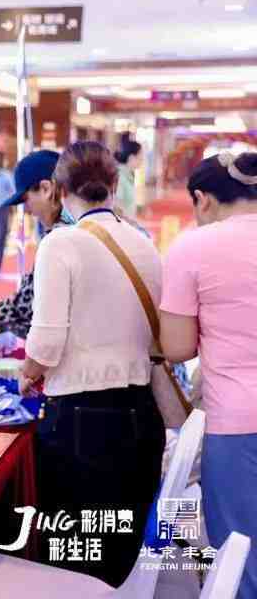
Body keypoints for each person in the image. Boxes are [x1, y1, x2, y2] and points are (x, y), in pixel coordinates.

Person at [19, 141, 164, 586]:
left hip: (82, 423)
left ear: (60, 191)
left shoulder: (62, 243)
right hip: (142, 415)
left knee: (75, 553)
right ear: (115, 184)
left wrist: (27, 375)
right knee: (118, 543)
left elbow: (45, 343)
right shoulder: (143, 242)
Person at [159, 152, 257, 598]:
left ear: (201, 199)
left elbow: (177, 347)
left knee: (240, 560)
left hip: (238, 425)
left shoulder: (193, 247)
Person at [0, 150, 74, 338]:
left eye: (26, 200)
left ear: (46, 189)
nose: (27, 210)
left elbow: (28, 307)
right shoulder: (80, 226)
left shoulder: (61, 238)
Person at [114, 139, 143, 217]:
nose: (142, 158)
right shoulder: (120, 176)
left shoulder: (128, 176)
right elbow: (117, 207)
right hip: (124, 226)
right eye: (140, 154)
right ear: (132, 157)